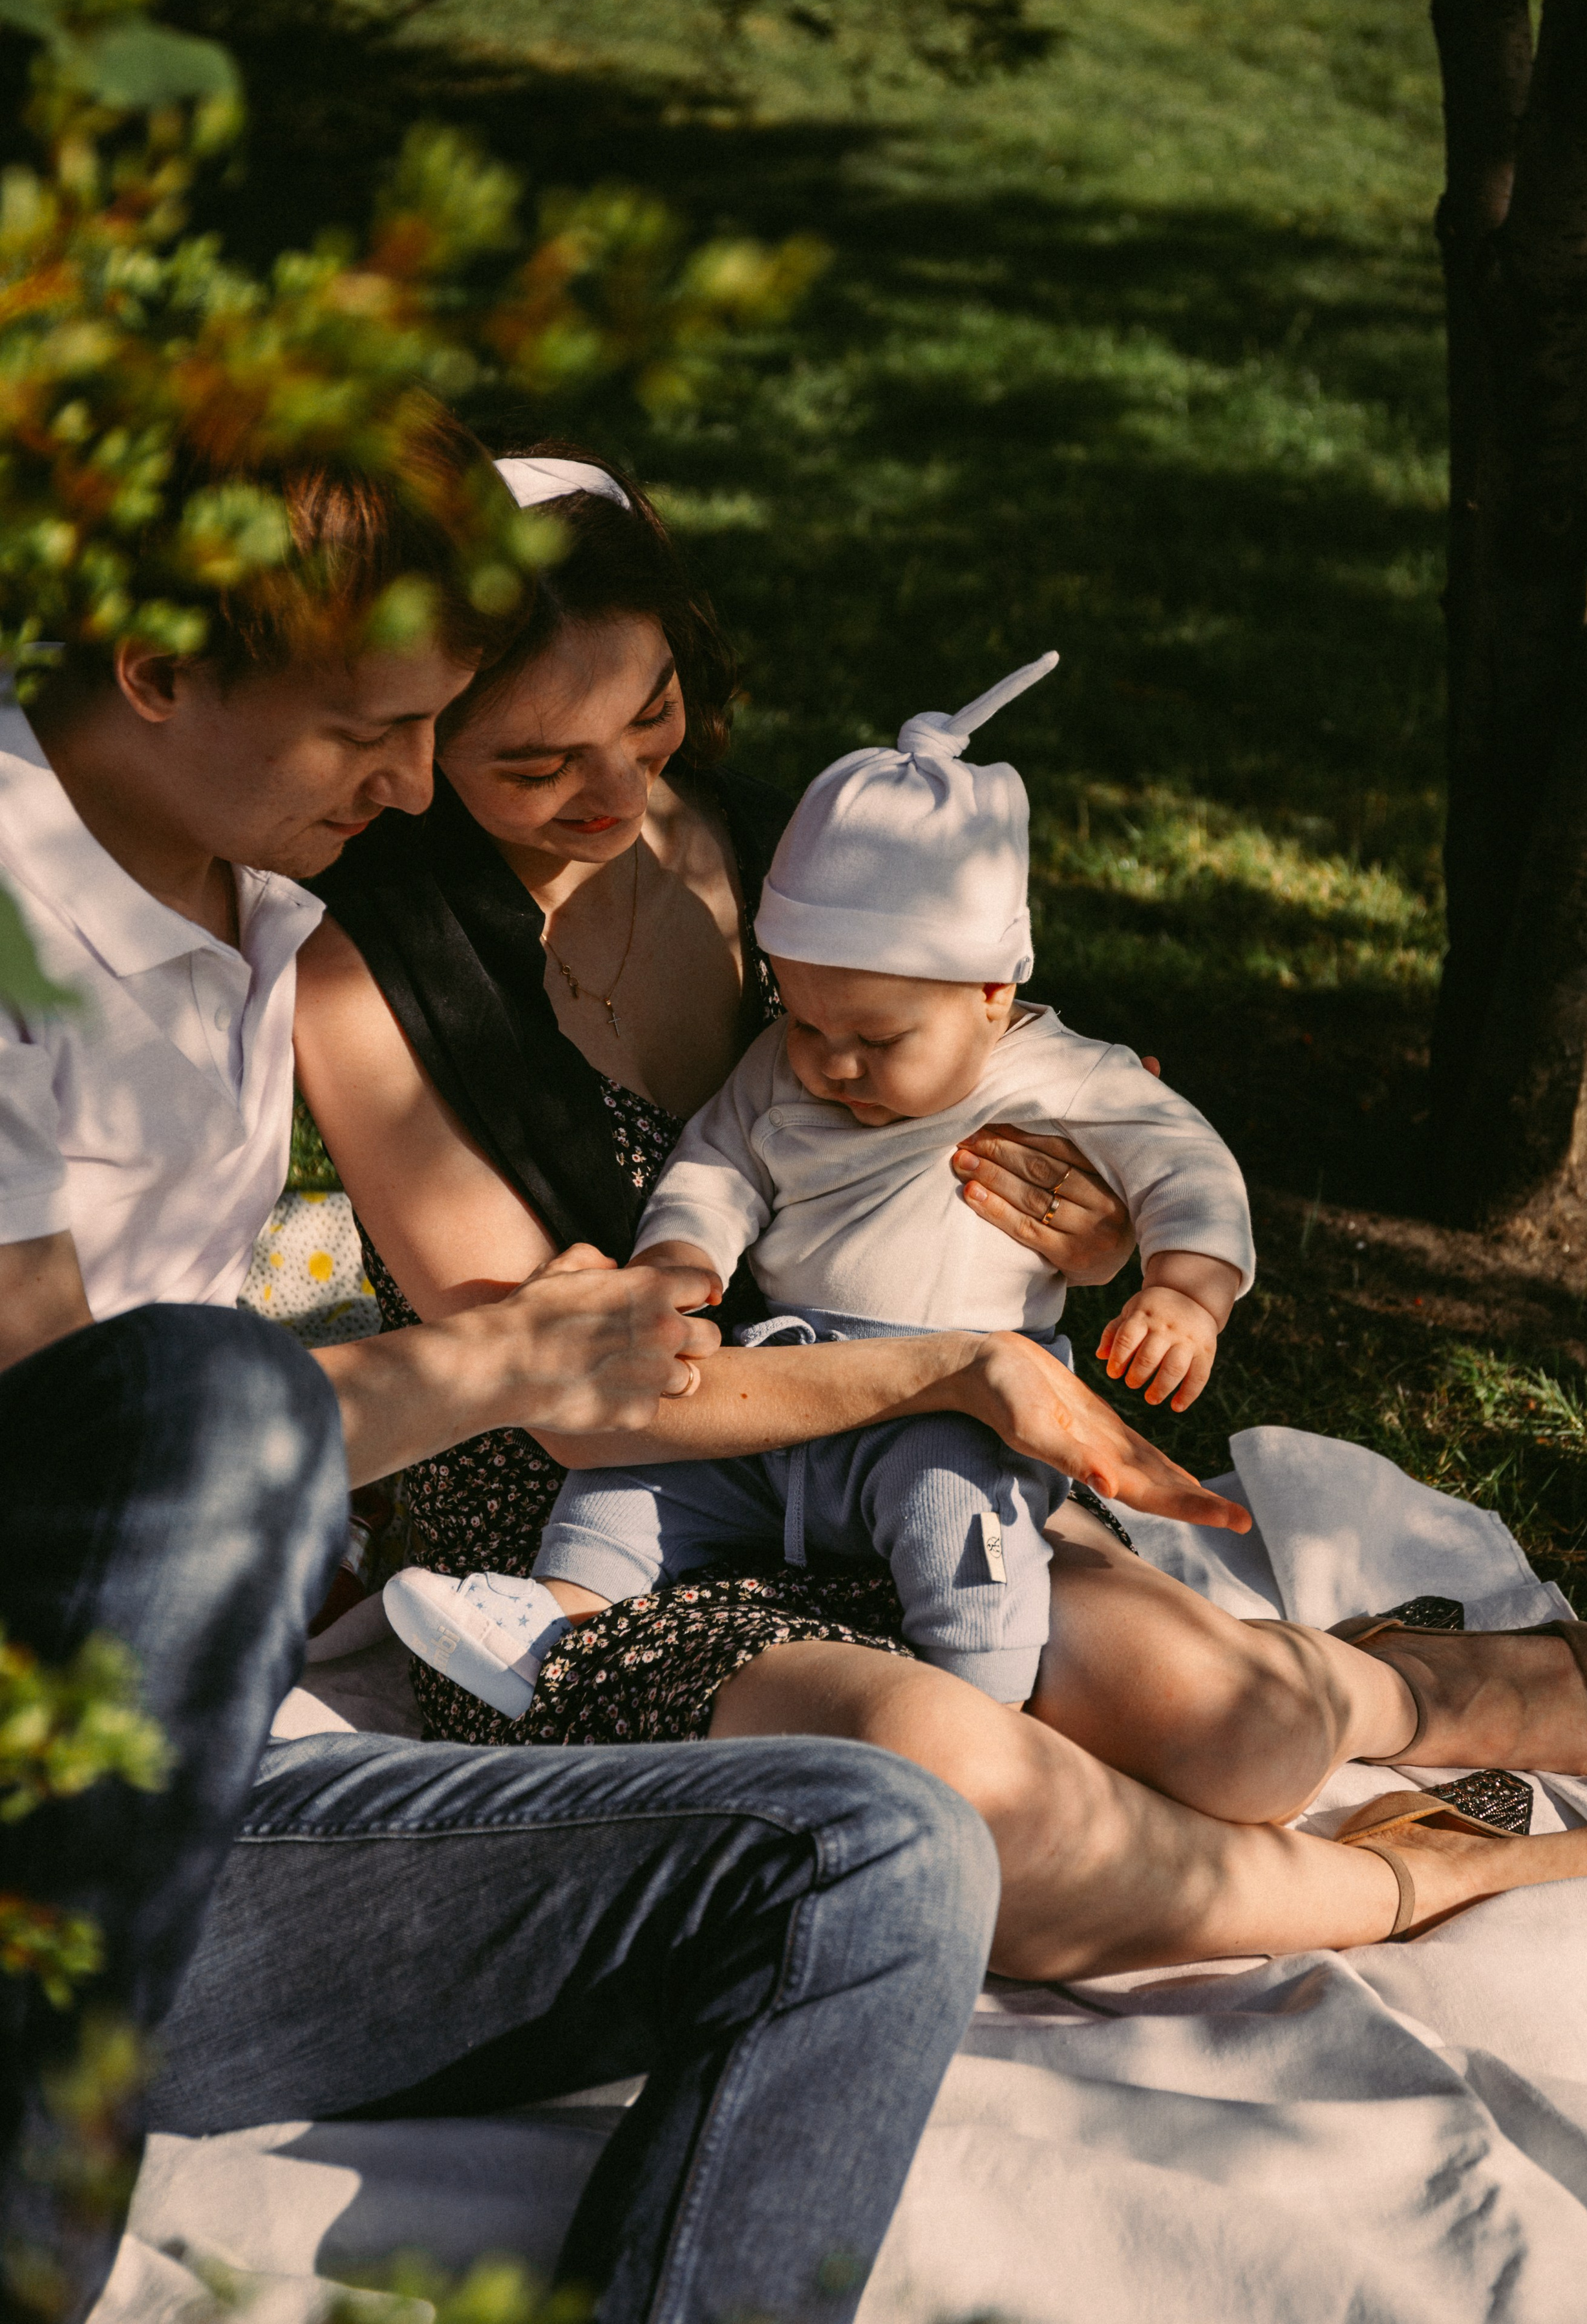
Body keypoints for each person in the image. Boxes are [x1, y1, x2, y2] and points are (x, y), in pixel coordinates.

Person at [299, 434, 1587, 1981]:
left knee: (1232, 1734)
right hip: (604, 1541)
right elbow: (566, 1411)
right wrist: (947, 1370)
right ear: (414, 746)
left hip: (902, 1455)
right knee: (968, 1815)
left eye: (650, 713)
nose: (620, 788)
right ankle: (1429, 1875)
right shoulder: (368, 984)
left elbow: (967, 1094)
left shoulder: (748, 852)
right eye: (534, 765)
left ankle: (1413, 1690)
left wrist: (1065, 1235)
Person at [0, 410, 1006, 2324]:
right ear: (152, 670)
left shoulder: (236, 886)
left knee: (881, 1854)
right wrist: (496, 1367)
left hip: (206, 1835)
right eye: (373, 732)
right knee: (201, 1399)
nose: (409, 787)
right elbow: (93, 1474)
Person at [385, 648, 1253, 1715]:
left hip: (961, 1415)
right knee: (633, 1486)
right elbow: (720, 1158)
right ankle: (551, 1622)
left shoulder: (1067, 1078)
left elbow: (1188, 1167)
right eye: (802, 1021)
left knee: (967, 1535)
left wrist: (1185, 1288)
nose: (831, 1063)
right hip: (780, 1386)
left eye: (876, 1037)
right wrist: (681, 1255)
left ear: (991, 989)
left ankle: (981, 1705)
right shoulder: (783, 1064)